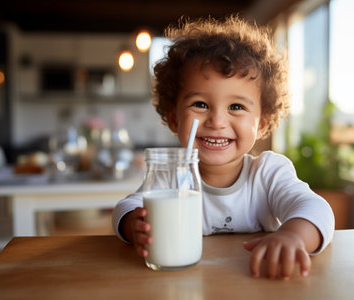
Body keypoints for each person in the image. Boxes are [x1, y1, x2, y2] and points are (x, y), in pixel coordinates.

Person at [112, 15, 334, 280]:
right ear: (174, 119)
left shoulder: (269, 173)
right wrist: (132, 225)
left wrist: (293, 236)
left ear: (262, 123)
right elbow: (126, 206)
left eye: (236, 107)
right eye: (200, 104)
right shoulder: (171, 177)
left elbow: (316, 208)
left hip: (257, 281)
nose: (217, 121)